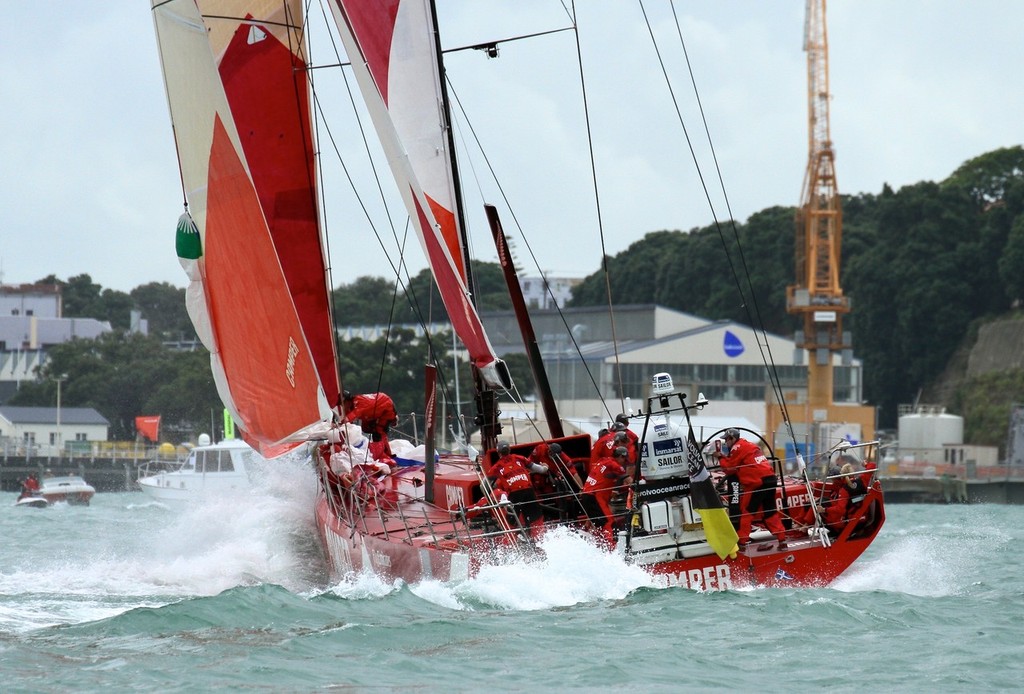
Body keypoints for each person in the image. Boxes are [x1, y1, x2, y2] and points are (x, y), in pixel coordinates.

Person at [713, 428, 787, 549]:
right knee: (770, 511)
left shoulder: (736, 448)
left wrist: (720, 457)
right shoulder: (749, 444)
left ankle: (741, 543)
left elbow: (729, 469)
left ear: (733, 438)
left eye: (726, 440)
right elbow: (737, 463)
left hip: (756, 483)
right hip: (770, 479)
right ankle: (782, 540)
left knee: (746, 512)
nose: (726, 443)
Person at [486, 441, 548, 538]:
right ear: (509, 449)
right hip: (529, 491)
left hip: (514, 494)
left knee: (511, 520)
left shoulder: (496, 467)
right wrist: (545, 466)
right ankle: (539, 539)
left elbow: (484, 485)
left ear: (498, 453)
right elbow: (542, 470)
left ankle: (514, 540)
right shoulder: (520, 458)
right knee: (536, 518)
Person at [581, 446, 632, 546]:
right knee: (609, 522)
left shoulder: (603, 461)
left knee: (599, 524)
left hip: (587, 496)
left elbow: (604, 479)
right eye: (625, 460)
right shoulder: (615, 465)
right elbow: (630, 481)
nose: (625, 463)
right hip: (594, 497)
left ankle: (600, 546)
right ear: (621, 456)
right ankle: (612, 550)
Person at [342, 391, 398, 457]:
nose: (342, 406)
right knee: (365, 428)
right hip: (374, 412)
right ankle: (377, 449)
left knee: (378, 432)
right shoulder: (351, 405)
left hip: (386, 407)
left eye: (342, 403)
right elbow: (348, 418)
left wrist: (341, 422)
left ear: (347, 401)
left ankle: (387, 455)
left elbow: (354, 414)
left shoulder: (359, 403)